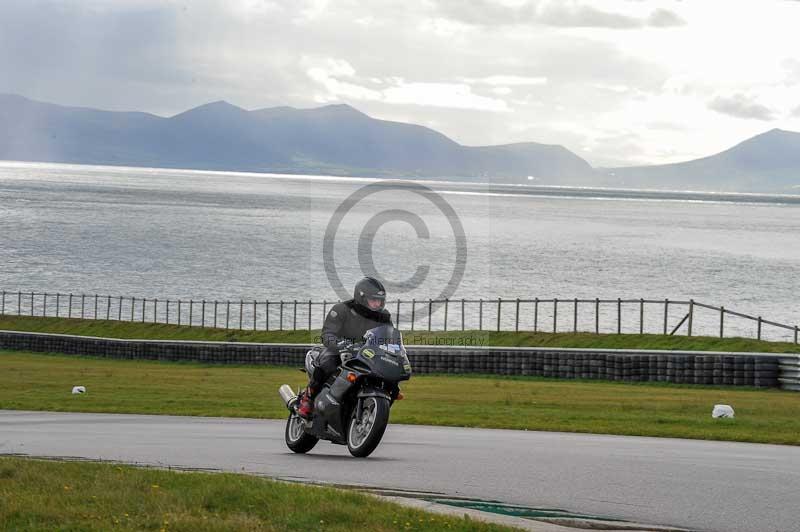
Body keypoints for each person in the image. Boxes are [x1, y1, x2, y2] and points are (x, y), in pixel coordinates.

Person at [296, 276, 392, 418]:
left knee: (388, 377)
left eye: (380, 301)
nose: (377, 304)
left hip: (367, 353)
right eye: (373, 300)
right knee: (328, 363)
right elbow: (327, 333)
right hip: (339, 350)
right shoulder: (341, 309)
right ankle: (308, 398)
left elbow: (389, 336)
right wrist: (340, 345)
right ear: (361, 297)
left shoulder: (383, 316)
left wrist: (394, 349)